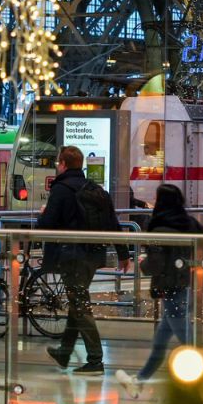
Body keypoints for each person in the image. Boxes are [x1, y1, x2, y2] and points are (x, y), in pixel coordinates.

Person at [39, 145, 129, 376]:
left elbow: (46, 225)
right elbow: (113, 223)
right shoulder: (96, 189)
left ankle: (95, 359)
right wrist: (123, 254)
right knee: (76, 302)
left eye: (58, 162)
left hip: (71, 256)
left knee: (80, 305)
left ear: (63, 164)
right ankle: (65, 352)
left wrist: (43, 213)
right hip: (93, 255)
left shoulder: (61, 189)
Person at [116, 184, 203, 399]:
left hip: (172, 290)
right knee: (160, 342)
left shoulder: (160, 228)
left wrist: (143, 264)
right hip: (187, 287)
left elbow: (156, 263)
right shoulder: (187, 222)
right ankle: (138, 381)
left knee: (188, 342)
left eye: (157, 198)